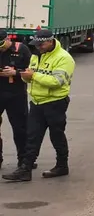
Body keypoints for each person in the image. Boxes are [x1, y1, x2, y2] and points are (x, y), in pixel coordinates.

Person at [1, 29, 76, 182]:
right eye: (36, 44)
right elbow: (28, 77)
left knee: (57, 136)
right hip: (36, 102)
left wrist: (33, 75)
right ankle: (25, 169)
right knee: (32, 137)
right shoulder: (36, 55)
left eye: (41, 44)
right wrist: (24, 76)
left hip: (55, 102)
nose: (38, 47)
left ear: (50, 41)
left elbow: (57, 82)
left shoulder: (64, 58)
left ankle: (62, 165)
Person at [0, 31, 32, 171]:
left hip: (16, 94)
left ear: (8, 39)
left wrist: (15, 73)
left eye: (2, 45)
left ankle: (24, 160)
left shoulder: (22, 49)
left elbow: (32, 71)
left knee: (20, 128)